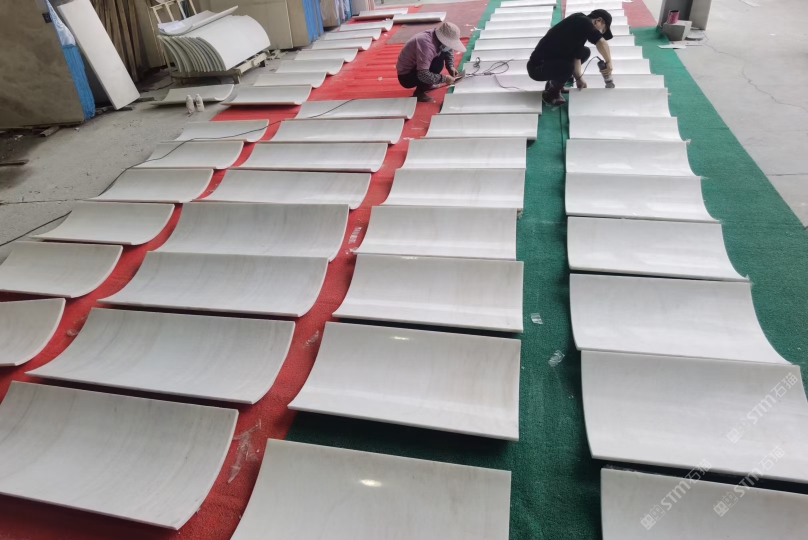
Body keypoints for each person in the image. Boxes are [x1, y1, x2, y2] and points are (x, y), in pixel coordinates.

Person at [526, 9, 614, 105]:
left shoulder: (580, 30)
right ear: (598, 20)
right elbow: (601, 42)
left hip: (550, 61)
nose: (600, 33)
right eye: (602, 30)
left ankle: (556, 81)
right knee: (567, 68)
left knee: (584, 52)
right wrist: (608, 61)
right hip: (537, 67)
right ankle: (552, 92)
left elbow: (576, 57)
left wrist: (579, 79)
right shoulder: (582, 21)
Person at [396, 22, 466, 102]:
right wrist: (444, 79)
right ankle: (419, 93)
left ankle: (427, 84)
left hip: (417, 67)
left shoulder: (437, 37)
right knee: (437, 65)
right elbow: (423, 74)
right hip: (406, 76)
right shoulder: (426, 45)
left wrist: (450, 66)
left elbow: (449, 48)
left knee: (441, 56)